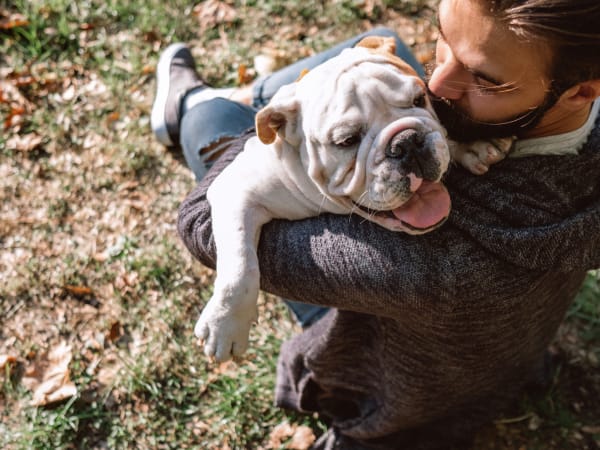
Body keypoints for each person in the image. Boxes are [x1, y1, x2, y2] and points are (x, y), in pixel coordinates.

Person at [152, 0, 600, 448]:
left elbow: (201, 222)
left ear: (581, 89)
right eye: (442, 37)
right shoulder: (565, 117)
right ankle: (258, 95)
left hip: (391, 387)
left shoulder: (437, 263)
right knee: (380, 49)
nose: (437, 84)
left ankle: (191, 100)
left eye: (484, 77)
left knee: (212, 119)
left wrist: (296, 116)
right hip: (506, 351)